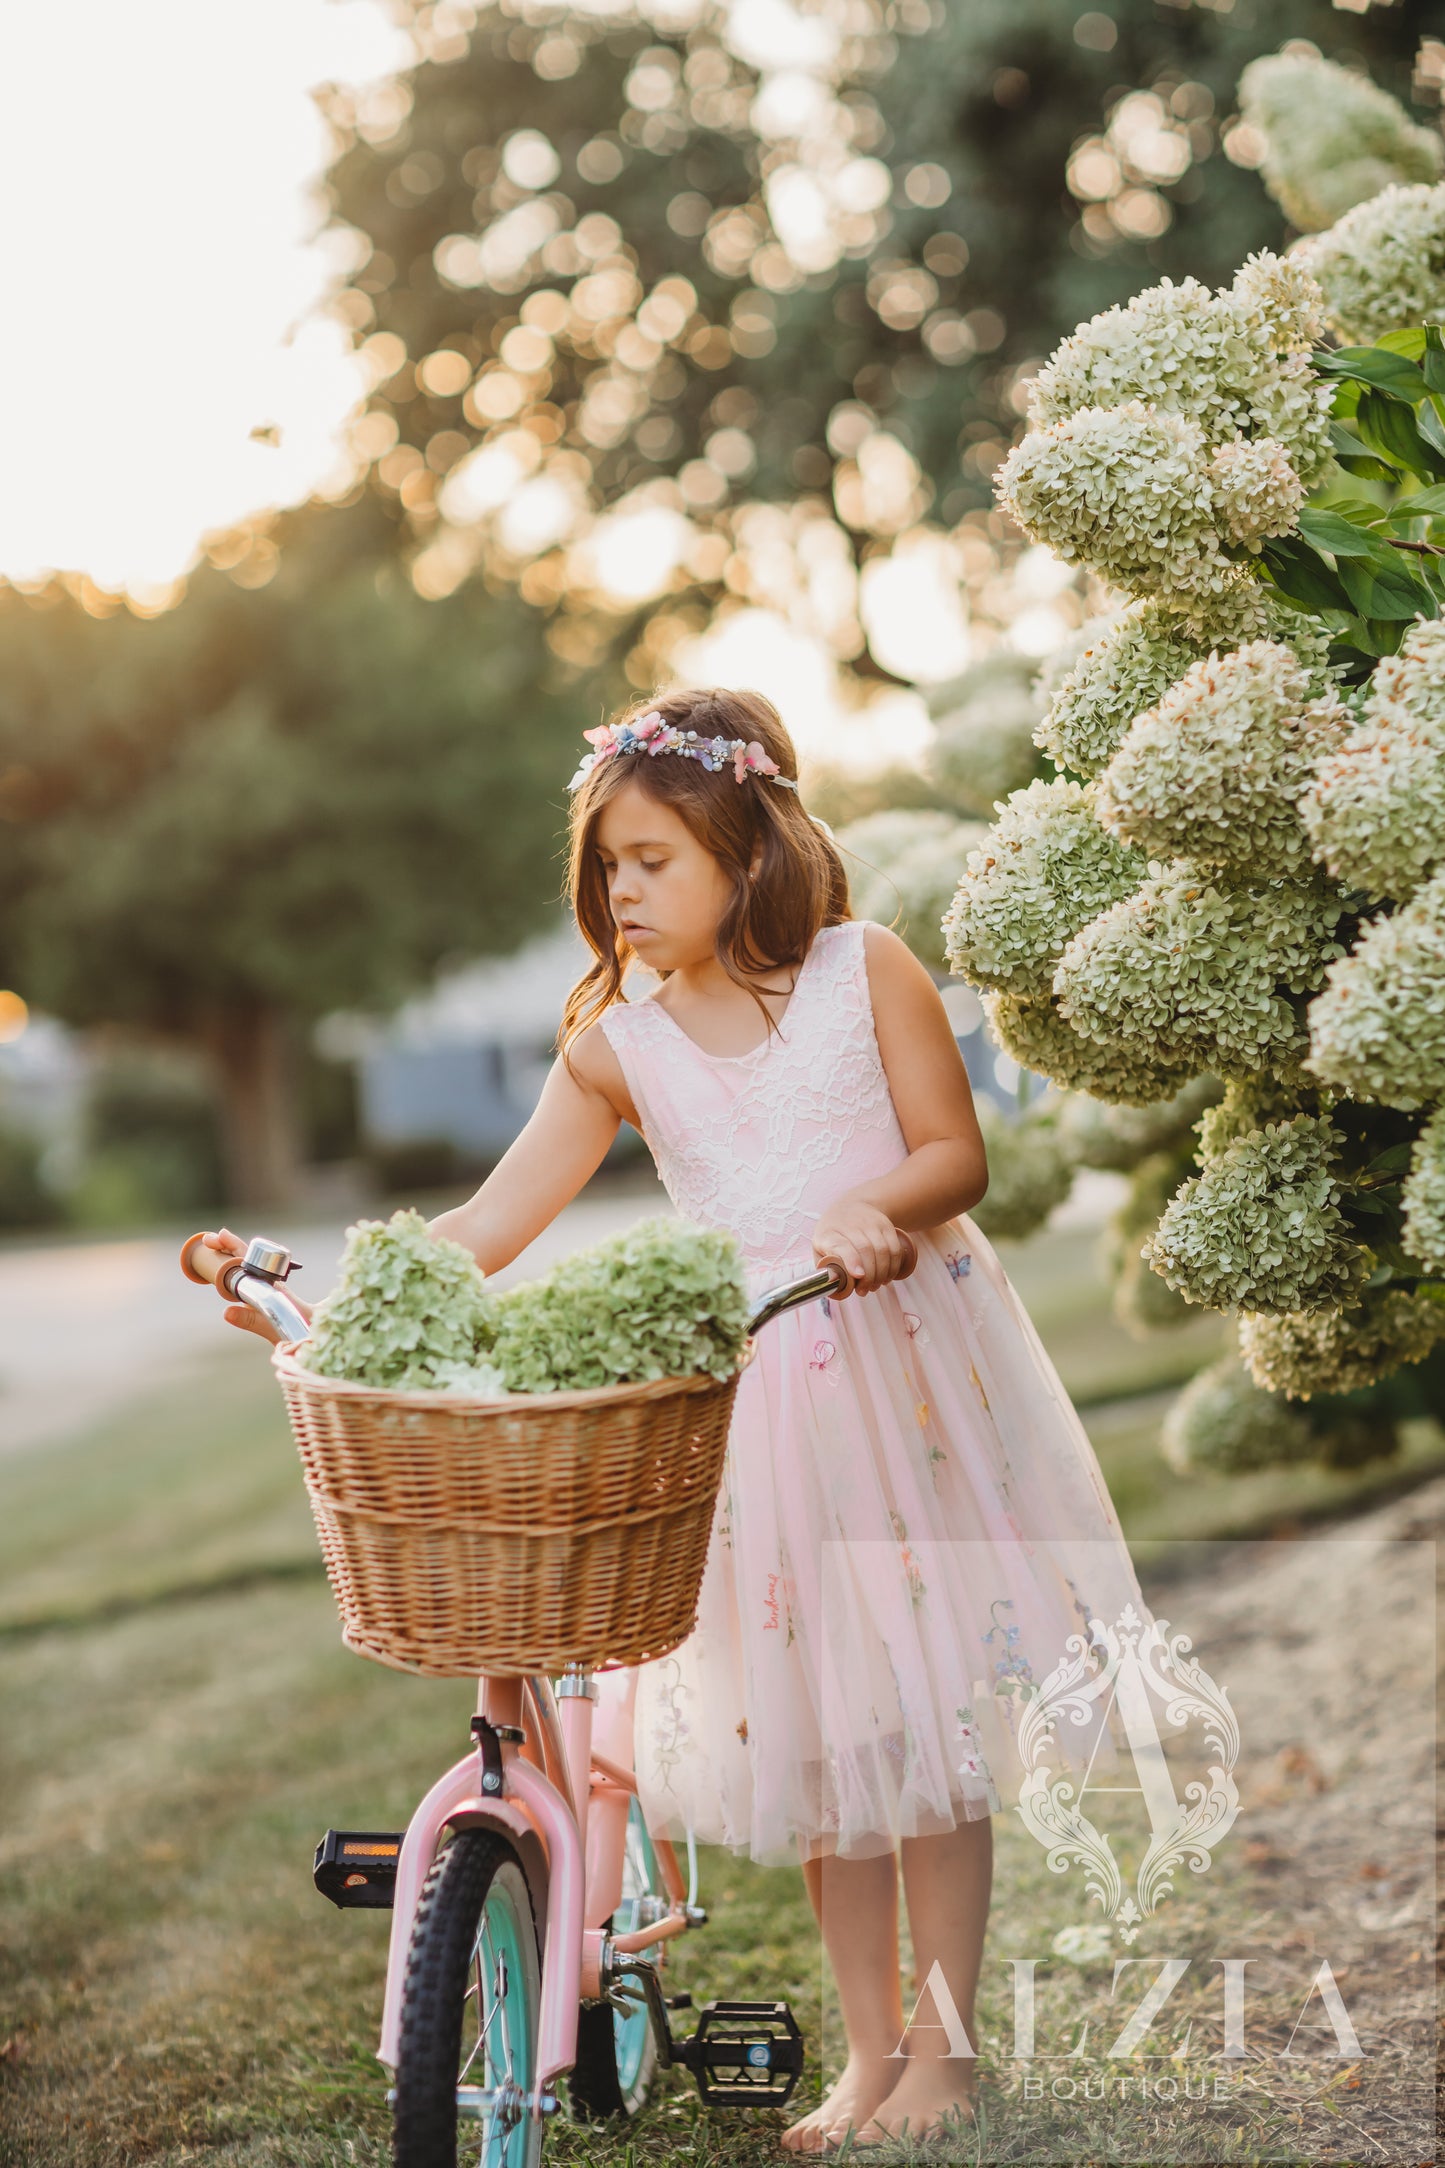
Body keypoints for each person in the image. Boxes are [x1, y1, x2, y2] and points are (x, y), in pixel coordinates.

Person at [204, 685, 1149, 2155]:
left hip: (898, 1371)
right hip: (762, 1407)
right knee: (837, 1741)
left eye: (650, 858)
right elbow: (491, 1223)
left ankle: (946, 2055)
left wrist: (871, 1205)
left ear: (745, 845)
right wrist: (343, 1289)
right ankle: (864, 2051)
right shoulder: (617, 1046)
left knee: (930, 1731)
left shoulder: (861, 969)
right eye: (606, 868)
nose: (619, 891)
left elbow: (951, 1153)